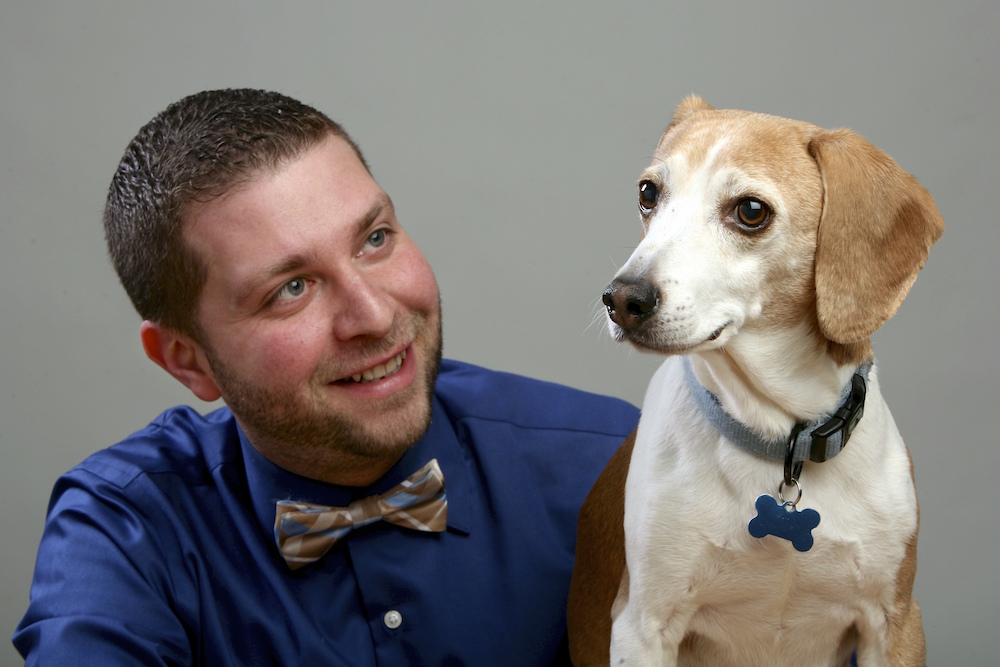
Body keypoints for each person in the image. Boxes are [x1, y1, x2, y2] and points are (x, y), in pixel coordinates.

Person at [13, 89, 639, 666]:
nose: (374, 314)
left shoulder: (612, 464)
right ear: (188, 359)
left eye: (374, 238)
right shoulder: (125, 532)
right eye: (291, 288)